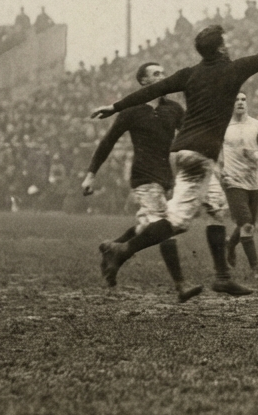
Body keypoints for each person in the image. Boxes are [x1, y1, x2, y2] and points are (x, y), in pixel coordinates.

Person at [93, 4, 258, 296]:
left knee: (216, 207)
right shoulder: (233, 69)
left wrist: (115, 106)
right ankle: (121, 250)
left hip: (186, 152)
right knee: (176, 221)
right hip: (200, 156)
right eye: (225, 42)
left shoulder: (190, 73)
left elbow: (152, 90)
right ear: (221, 48)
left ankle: (222, 276)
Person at [82, 61, 199, 302]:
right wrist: (91, 174)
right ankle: (181, 285)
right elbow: (108, 142)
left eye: (164, 72)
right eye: (156, 74)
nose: (163, 76)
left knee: (149, 228)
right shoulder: (132, 110)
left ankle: (114, 249)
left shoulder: (174, 109)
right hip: (144, 177)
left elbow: (190, 133)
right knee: (164, 227)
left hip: (166, 177)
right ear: (143, 82)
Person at [220, 92, 258, 279]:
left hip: (253, 182)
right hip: (232, 180)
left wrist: (257, 155)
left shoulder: (256, 125)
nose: (240, 102)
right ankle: (256, 269)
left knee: (248, 223)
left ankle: (229, 244)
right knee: (247, 224)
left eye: (243, 99)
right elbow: (213, 151)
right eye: (236, 99)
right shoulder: (223, 126)